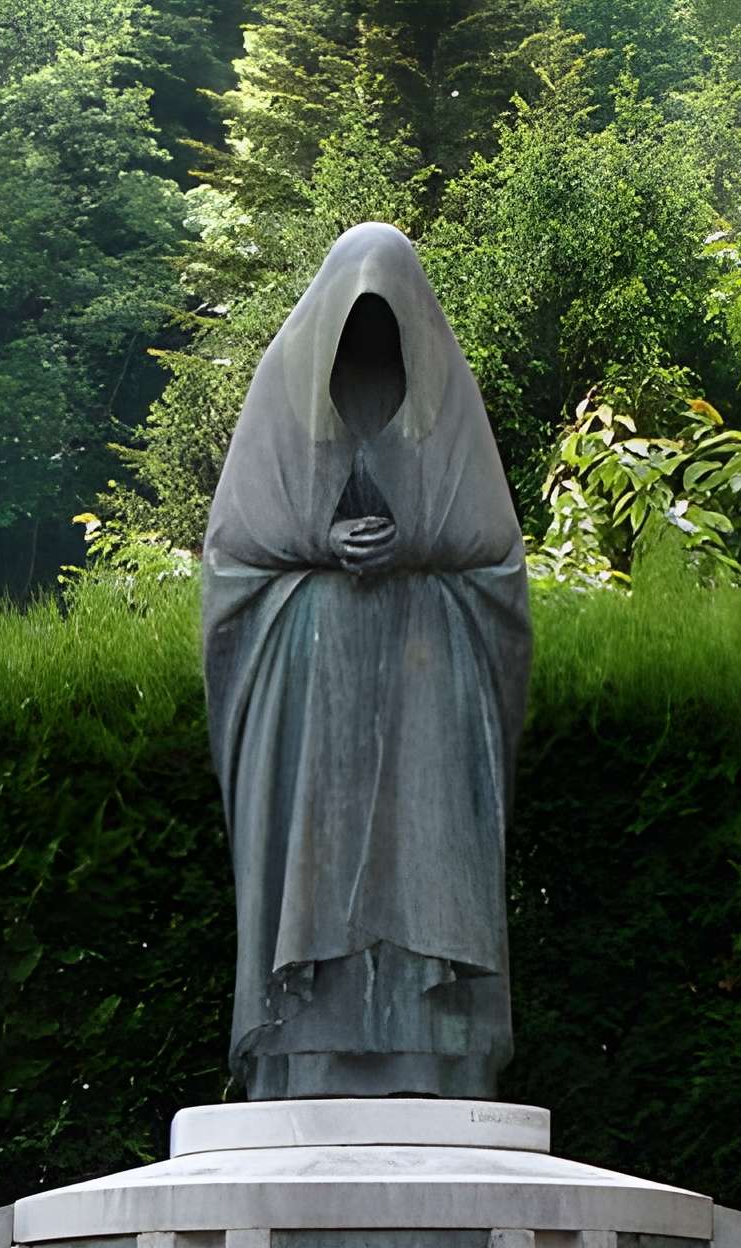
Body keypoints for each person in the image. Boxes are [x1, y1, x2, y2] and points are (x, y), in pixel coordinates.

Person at [202, 223, 531, 1100]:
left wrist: (412, 545)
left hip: (428, 696)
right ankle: (308, 1052)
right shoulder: (282, 401)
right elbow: (234, 562)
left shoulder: (446, 407)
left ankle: (434, 1053)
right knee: (310, 868)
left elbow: (496, 564)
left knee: (427, 860)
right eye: (357, 312)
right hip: (311, 709)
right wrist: (324, 544)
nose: (372, 329)